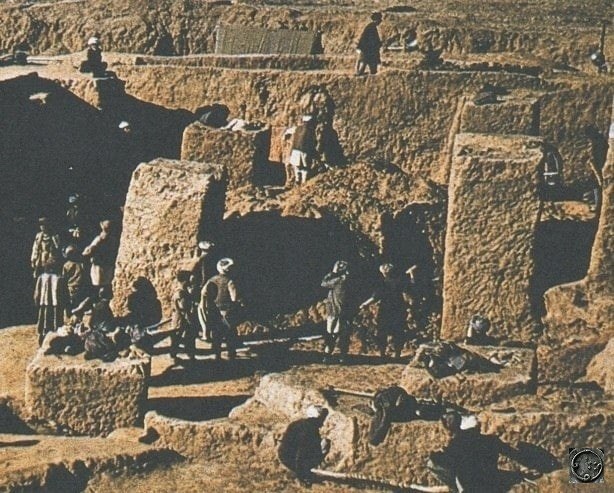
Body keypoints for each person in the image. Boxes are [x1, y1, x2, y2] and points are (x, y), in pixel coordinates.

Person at [428, 412, 523, 492]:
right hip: (493, 481)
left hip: (472, 487)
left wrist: (434, 454)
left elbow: (441, 463)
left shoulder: (454, 446)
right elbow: (511, 452)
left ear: (447, 427)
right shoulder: (486, 439)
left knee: (433, 465)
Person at [360, 263, 412, 359]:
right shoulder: (400, 281)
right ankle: (397, 354)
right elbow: (406, 294)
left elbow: (375, 297)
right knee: (398, 331)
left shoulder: (383, 283)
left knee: (382, 331)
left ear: (383, 273)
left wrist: (365, 304)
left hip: (386, 309)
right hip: (398, 308)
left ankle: (382, 353)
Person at [200, 258, 242, 359]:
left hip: (214, 312)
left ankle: (217, 355)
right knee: (230, 334)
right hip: (227, 312)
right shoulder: (230, 281)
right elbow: (234, 297)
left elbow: (203, 293)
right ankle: (231, 354)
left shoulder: (211, 280)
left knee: (217, 334)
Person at [278, 405, 330, 485]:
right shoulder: (310, 430)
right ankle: (309, 470)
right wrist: (302, 476)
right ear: (316, 419)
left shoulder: (297, 424)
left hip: (283, 457)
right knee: (325, 443)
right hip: (293, 461)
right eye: (321, 420)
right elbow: (301, 452)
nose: (322, 423)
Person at [321, 260, 353, 363]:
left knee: (331, 333)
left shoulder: (339, 280)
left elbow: (324, 283)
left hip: (334, 310)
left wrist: (333, 272)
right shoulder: (351, 281)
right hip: (345, 311)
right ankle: (342, 357)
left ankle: (327, 355)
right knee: (344, 334)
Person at [34, 261, 68, 346]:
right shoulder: (60, 278)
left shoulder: (41, 277)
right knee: (56, 321)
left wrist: (37, 300)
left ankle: (43, 337)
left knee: (44, 321)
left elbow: (37, 292)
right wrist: (65, 303)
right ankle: (56, 339)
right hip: (56, 305)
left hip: (44, 303)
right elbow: (64, 293)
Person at [170, 270, 197, 364]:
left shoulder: (182, 291)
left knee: (183, 336)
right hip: (181, 318)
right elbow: (183, 308)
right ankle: (175, 356)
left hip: (180, 317)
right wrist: (190, 319)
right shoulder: (181, 293)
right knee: (178, 337)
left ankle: (188, 355)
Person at [82, 220, 119, 289]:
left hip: (99, 266)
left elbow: (88, 251)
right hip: (108, 266)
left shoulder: (99, 238)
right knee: (106, 286)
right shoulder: (113, 239)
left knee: (98, 286)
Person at [289, 115, 317, 185]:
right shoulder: (311, 131)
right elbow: (312, 143)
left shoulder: (297, 128)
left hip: (295, 150)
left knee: (297, 167)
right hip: (304, 151)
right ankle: (304, 183)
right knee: (305, 168)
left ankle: (297, 180)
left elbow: (288, 131)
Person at [61, 245, 88, 310]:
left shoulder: (66, 265)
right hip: (80, 286)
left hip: (71, 287)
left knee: (72, 302)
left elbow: (64, 277)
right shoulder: (81, 264)